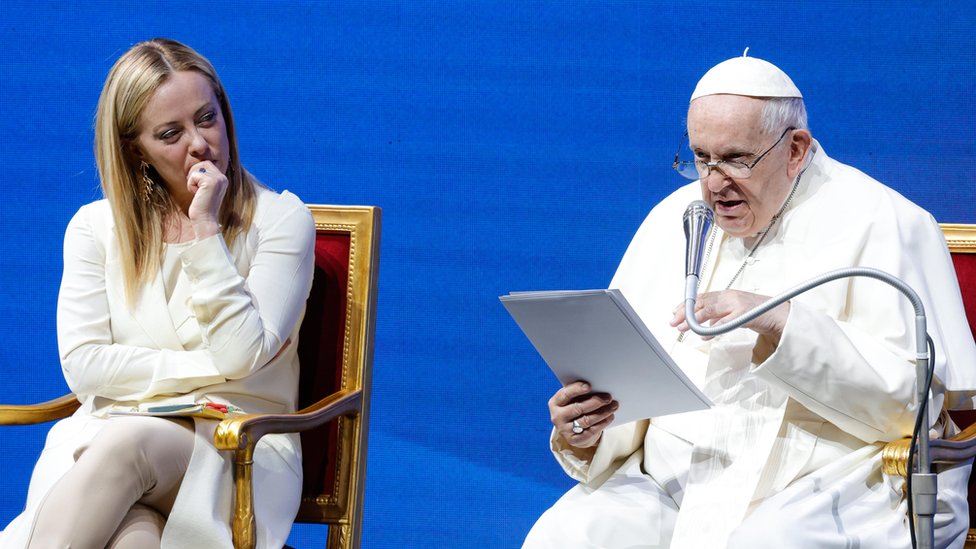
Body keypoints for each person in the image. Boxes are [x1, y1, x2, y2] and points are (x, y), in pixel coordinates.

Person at [523, 53, 976, 548]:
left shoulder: (884, 220)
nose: (714, 184)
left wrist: (782, 323)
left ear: (796, 149)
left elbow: (914, 403)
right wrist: (588, 430)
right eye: (701, 157)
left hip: (824, 483)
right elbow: (631, 385)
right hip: (676, 483)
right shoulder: (673, 217)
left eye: (737, 159)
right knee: (567, 534)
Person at [0, 38, 315, 548]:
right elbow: (84, 364)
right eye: (171, 133)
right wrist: (208, 374)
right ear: (135, 149)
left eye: (207, 118)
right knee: (133, 536)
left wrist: (206, 231)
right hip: (110, 438)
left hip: (239, 449)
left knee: (127, 446)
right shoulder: (94, 228)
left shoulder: (281, 220)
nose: (199, 143)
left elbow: (240, 352)